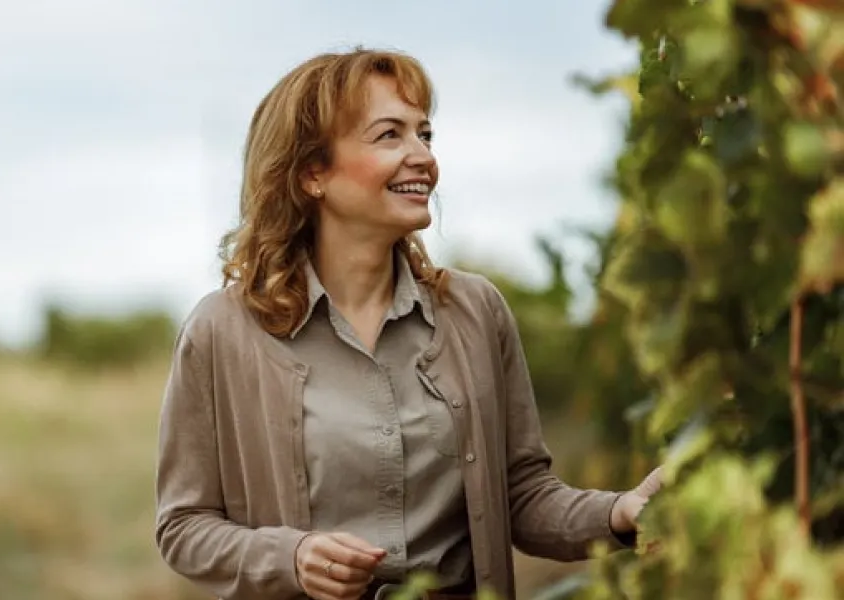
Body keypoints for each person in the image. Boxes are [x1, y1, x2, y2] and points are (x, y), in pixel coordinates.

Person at [153, 47, 663, 600]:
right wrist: (289, 557)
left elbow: (520, 496)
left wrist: (621, 512)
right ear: (312, 173)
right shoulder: (223, 331)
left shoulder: (475, 311)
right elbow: (184, 527)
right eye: (389, 135)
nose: (423, 156)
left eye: (425, 134)